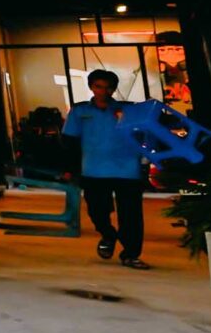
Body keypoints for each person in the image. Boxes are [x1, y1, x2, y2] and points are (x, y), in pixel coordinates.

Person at [62, 69, 151, 268]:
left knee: (131, 215)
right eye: (98, 87)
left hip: (128, 169)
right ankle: (108, 235)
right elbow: (69, 141)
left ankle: (131, 254)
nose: (103, 91)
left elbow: (145, 134)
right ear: (91, 87)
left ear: (114, 89)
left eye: (108, 87)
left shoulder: (128, 110)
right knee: (97, 211)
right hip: (93, 169)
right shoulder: (79, 111)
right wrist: (70, 169)